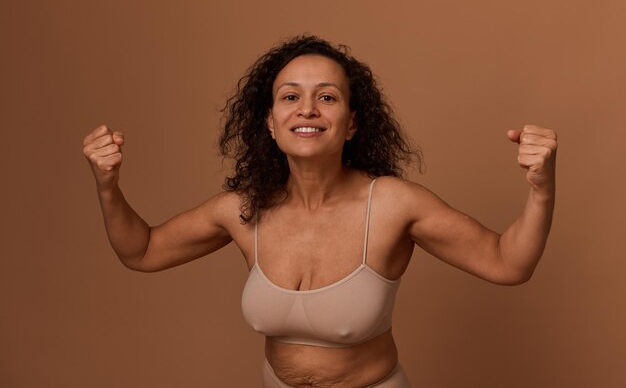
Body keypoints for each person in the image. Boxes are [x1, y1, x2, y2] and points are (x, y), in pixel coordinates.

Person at [82, 35, 557, 388]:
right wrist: (108, 187)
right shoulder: (244, 210)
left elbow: (507, 263)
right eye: (290, 97)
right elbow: (141, 250)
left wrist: (540, 189)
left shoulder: (393, 204)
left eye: (326, 97)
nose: (307, 110)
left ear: (351, 124)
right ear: (269, 122)